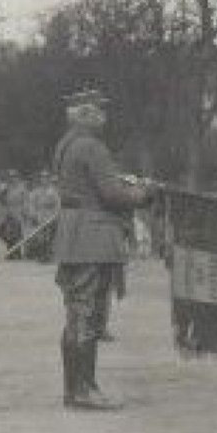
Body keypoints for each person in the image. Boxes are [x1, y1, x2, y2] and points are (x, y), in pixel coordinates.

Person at [51, 86, 156, 411]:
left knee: (77, 312)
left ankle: (78, 388)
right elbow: (111, 194)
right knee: (87, 313)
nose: (104, 117)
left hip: (74, 235)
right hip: (92, 238)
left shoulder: (66, 146)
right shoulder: (91, 147)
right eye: (98, 111)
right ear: (85, 115)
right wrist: (143, 192)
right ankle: (83, 390)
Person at [26, 170, 61, 263]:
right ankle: (40, 255)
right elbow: (31, 204)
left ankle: (49, 255)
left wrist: (55, 215)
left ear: (48, 179)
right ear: (40, 179)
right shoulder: (35, 192)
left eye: (46, 178)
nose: (44, 180)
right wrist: (34, 214)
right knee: (40, 237)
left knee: (50, 237)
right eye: (42, 178)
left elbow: (57, 204)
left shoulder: (53, 191)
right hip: (40, 215)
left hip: (50, 215)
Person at [0, 169, 30, 258]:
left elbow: (26, 201)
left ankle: (17, 252)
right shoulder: (6, 188)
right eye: (10, 177)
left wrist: (25, 212)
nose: (12, 179)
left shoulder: (22, 188)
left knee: (18, 232)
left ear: (18, 178)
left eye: (14, 177)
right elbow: (0, 200)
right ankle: (10, 250)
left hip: (19, 211)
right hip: (8, 211)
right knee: (5, 232)